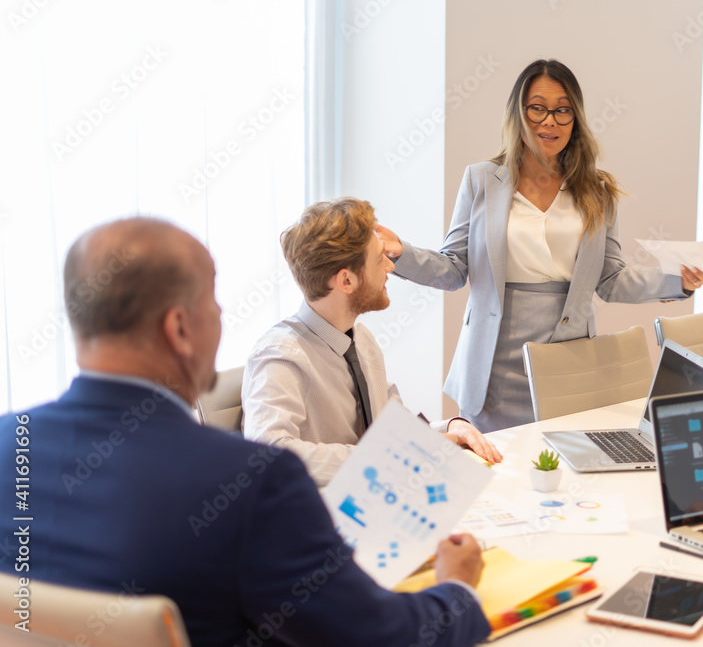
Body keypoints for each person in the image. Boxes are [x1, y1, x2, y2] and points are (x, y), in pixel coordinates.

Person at [0, 218, 491, 647]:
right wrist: (459, 590)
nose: (219, 317)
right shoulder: (254, 482)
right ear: (179, 328)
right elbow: (383, 636)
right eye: (212, 302)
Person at [378, 59, 703, 432]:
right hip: (493, 361)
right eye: (537, 108)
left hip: (567, 355)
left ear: (576, 119)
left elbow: (610, 278)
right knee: (493, 470)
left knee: (560, 466)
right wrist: (401, 253)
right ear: (518, 114)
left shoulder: (597, 190)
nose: (549, 121)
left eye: (562, 110)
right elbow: (454, 269)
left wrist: (677, 281)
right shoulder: (481, 180)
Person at [242, 198, 502, 486]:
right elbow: (267, 455)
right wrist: (379, 459)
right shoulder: (281, 356)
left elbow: (393, 430)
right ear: (346, 281)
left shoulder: (361, 340)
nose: (390, 266)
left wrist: (450, 429)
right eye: (379, 259)